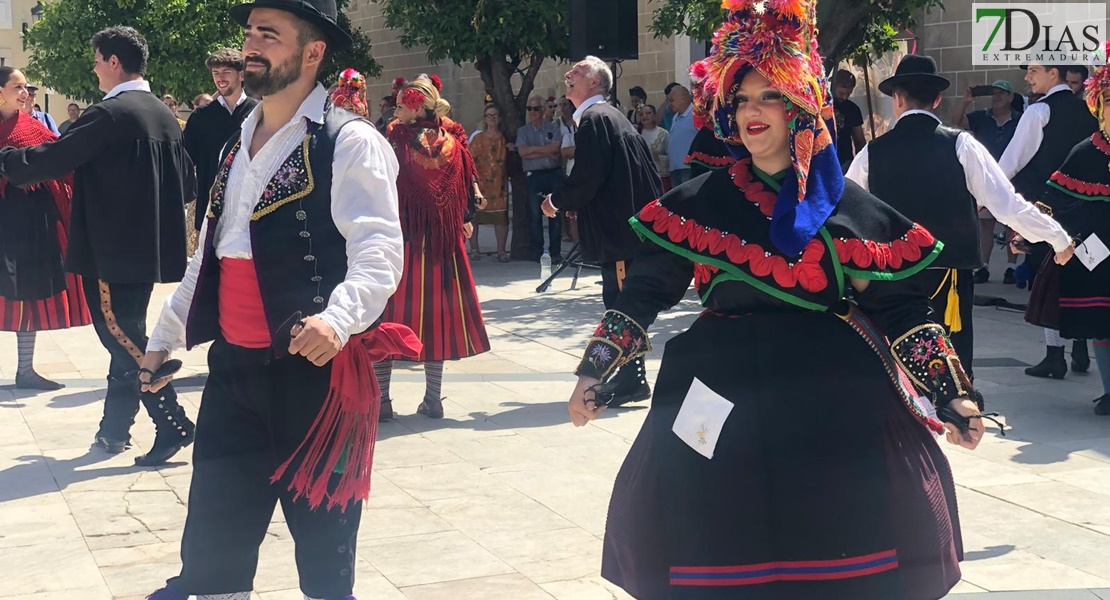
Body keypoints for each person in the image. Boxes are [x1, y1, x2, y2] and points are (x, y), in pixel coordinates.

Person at [566, 2, 991, 598]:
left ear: (800, 108)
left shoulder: (853, 211)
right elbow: (642, 295)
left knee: (839, 554)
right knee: (716, 554)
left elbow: (903, 313)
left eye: (768, 96)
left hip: (833, 400)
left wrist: (954, 394)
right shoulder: (698, 203)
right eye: (741, 99)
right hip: (718, 394)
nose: (751, 112)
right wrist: (594, 371)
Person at [142, 1, 415, 598]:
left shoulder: (348, 142)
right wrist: (163, 339)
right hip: (232, 375)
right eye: (249, 33)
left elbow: (379, 251)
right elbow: (209, 258)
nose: (252, 46)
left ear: (312, 52)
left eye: (270, 34)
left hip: (315, 380)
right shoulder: (235, 146)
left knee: (324, 560)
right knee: (213, 549)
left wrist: (337, 320)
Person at [0, 26, 194, 466]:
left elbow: (52, 159)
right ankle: (114, 431)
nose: (93, 69)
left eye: (96, 60)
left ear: (112, 62)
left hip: (111, 247)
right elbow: (187, 183)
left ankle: (173, 422)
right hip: (145, 249)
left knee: (122, 337)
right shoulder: (162, 114)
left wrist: (6, 158)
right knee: (123, 334)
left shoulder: (109, 114)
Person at [847, 55, 1073, 408]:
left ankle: (907, 413)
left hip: (891, 279)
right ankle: (953, 411)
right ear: (937, 100)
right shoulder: (961, 145)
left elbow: (845, 209)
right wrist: (1058, 237)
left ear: (898, 99)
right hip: (947, 276)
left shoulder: (872, 153)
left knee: (897, 353)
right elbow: (1007, 205)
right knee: (950, 352)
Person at [542, 55, 663, 407]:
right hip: (626, 230)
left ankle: (630, 380)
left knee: (621, 303)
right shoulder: (610, 117)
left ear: (595, 82)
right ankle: (632, 378)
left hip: (620, 233)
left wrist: (556, 201)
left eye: (577, 72)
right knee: (620, 302)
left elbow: (587, 177)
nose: (569, 74)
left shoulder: (596, 119)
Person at [375, 76, 491, 421]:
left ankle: (382, 399)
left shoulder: (396, 137)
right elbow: (466, 181)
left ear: (415, 105)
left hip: (406, 239)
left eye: (399, 103)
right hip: (443, 243)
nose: (394, 109)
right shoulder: (451, 138)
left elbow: (380, 180)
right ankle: (433, 399)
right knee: (436, 320)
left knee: (389, 316)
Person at [998, 60, 1098, 378]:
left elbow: (1013, 160)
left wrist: (990, 192)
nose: (1027, 77)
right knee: (1083, 273)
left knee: (1048, 279)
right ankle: (1080, 346)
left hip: (1048, 207)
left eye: (1033, 71)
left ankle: (1055, 354)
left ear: (1052, 74)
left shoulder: (1038, 111)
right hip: (1087, 209)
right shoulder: (1089, 112)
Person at [0, 67, 92, 390]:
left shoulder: (32, 127)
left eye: (26, 87)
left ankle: (25, 370)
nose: (25, 93)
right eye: (18, 87)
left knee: (26, 294)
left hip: (31, 223)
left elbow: (60, 158)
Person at [1038, 53, 1110, 413]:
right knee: (1102, 324)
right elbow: (1053, 201)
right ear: (1098, 105)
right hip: (1095, 252)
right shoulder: (1085, 153)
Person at [950, 79, 1023, 284]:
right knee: (986, 224)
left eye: (1002, 93)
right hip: (985, 177)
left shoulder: (1020, 120)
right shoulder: (982, 117)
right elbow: (955, 121)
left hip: (1012, 178)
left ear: (1010, 97)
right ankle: (984, 266)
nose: (996, 97)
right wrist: (965, 101)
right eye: (994, 93)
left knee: (1012, 224)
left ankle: (1011, 267)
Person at [182, 47, 259, 233]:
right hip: (211, 207)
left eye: (226, 72)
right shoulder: (201, 117)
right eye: (215, 73)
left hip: (249, 207)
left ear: (241, 75)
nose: (220, 78)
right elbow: (184, 159)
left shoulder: (259, 113)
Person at [517, 94, 564, 261]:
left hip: (553, 174)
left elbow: (557, 147)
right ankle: (537, 252)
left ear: (543, 110)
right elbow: (523, 152)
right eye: (529, 109)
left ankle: (555, 252)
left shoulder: (553, 128)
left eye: (536, 108)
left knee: (556, 215)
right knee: (535, 216)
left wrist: (534, 150)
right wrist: (546, 149)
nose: (532, 112)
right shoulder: (523, 131)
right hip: (534, 176)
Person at [470, 102, 511, 262]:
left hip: (499, 183)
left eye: (495, 115)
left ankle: (501, 250)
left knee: (500, 218)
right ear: (485, 119)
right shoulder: (479, 138)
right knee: (476, 217)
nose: (492, 118)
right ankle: (474, 249)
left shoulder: (504, 138)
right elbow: (470, 159)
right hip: (481, 183)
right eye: (489, 116)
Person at [832, 68, 866, 170]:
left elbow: (859, 141)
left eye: (848, 94)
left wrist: (861, 165)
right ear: (833, 86)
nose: (845, 97)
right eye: (841, 93)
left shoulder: (853, 109)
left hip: (845, 162)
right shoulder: (821, 106)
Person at [665, 84, 697, 187]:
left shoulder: (695, 114)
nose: (670, 104)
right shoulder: (675, 117)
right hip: (675, 168)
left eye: (672, 100)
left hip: (688, 168)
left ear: (683, 98)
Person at [638, 104, 669, 189]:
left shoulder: (663, 133)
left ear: (654, 115)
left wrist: (659, 157)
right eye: (641, 114)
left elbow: (671, 155)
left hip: (662, 176)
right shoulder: (637, 134)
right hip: (644, 176)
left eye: (648, 113)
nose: (644, 116)